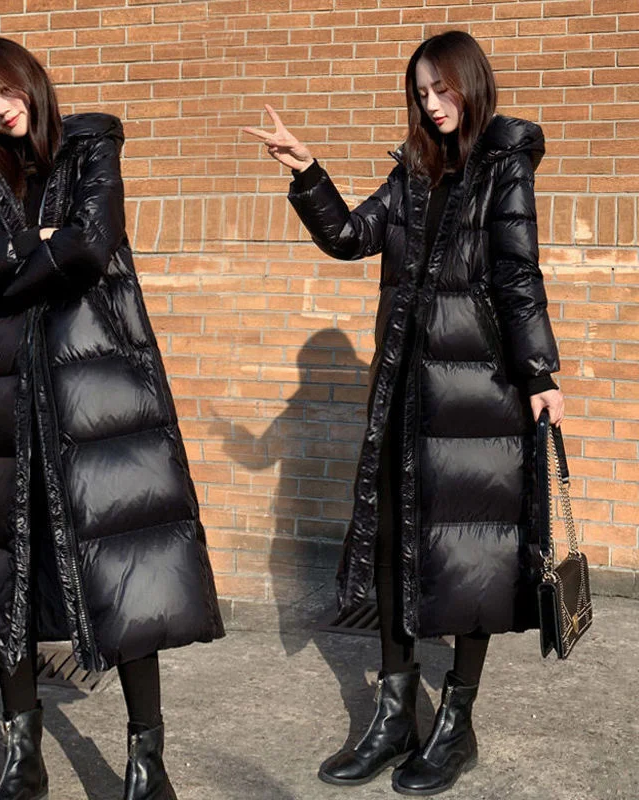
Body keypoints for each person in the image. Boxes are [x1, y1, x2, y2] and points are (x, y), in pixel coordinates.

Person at [244, 30, 563, 796]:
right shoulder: (411, 174)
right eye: (421, 92)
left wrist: (540, 372)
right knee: (393, 545)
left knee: (474, 553)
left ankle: (457, 721)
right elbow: (349, 237)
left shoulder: (503, 165)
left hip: (480, 391)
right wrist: (307, 171)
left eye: (442, 88)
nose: (432, 103)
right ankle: (394, 716)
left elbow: (518, 275)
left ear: (470, 83)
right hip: (405, 393)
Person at [0, 37, 224, 800]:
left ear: (28, 79)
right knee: (10, 577)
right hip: (14, 409)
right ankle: (22, 759)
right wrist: (33, 245)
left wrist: (7, 254)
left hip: (101, 396)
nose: (0, 109)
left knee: (123, 570)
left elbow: (92, 246)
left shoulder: (91, 147)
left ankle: (147, 764)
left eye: (4, 90)